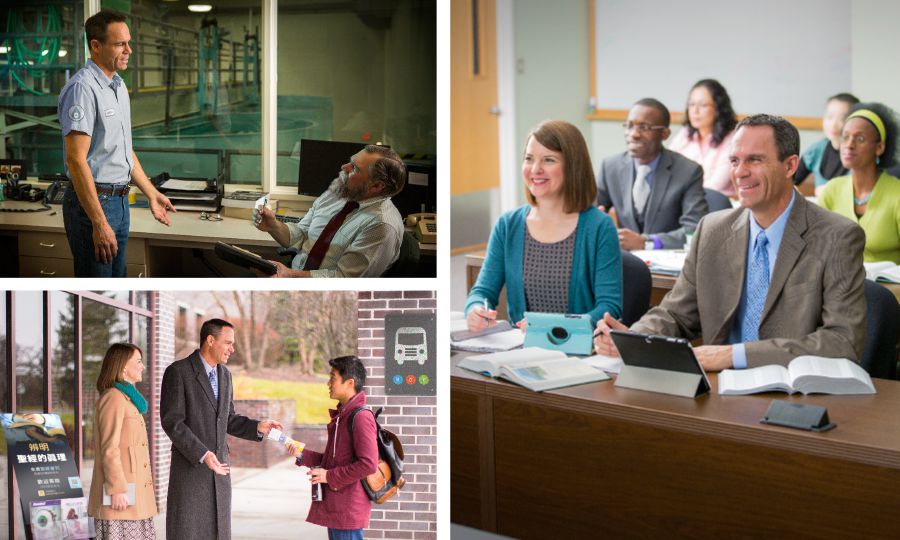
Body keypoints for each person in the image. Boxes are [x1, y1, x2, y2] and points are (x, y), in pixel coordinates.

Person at [594, 114, 866, 371]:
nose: (740, 172)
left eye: (755, 160)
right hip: (719, 387)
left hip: (792, 391)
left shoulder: (838, 236)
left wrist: (735, 355)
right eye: (734, 161)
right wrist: (633, 338)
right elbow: (677, 313)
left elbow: (842, 341)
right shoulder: (713, 229)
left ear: (790, 165)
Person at [465, 120, 622, 331]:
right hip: (520, 350)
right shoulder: (508, 225)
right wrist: (475, 309)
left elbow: (609, 308)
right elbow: (482, 292)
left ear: (573, 166)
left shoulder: (599, 227)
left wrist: (549, 327)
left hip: (578, 354)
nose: (535, 169)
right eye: (529, 159)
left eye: (549, 160)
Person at [57, 10, 174, 277]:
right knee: (97, 285)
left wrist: (150, 192)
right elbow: (76, 160)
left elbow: (121, 149)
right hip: (94, 204)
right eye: (120, 44)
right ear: (96, 46)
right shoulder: (82, 89)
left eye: (128, 42)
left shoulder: (118, 86)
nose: (128, 50)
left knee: (118, 281)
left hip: (120, 202)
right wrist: (99, 222)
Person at [160, 318, 283, 540]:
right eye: (228, 343)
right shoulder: (178, 372)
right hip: (191, 472)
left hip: (220, 473)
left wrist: (258, 426)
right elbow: (172, 422)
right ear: (210, 340)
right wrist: (202, 454)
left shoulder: (225, 375)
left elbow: (228, 419)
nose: (232, 349)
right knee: (189, 533)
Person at [255, 145, 406, 277]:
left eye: (354, 168)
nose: (344, 167)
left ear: (376, 186)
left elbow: (343, 280)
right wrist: (273, 226)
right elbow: (301, 235)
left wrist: (289, 276)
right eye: (350, 161)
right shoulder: (335, 196)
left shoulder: (382, 225)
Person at [596, 98, 708, 250]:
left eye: (644, 127)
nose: (634, 134)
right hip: (623, 262)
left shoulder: (688, 172)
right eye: (629, 126)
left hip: (667, 265)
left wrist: (647, 242)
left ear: (664, 134)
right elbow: (593, 213)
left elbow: (695, 229)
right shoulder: (610, 167)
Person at [285, 356, 378, 540]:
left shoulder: (360, 418)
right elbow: (331, 461)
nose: (328, 383)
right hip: (338, 508)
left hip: (348, 510)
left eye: (333, 378)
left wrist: (328, 476)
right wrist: (302, 454)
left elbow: (368, 464)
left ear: (350, 382)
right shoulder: (342, 416)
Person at [87, 343, 158, 539]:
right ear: (123, 366)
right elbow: (109, 449)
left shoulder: (127, 399)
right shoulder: (114, 398)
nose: (142, 366)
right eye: (138, 361)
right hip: (122, 495)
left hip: (134, 493)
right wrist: (117, 490)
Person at [820, 103, 900, 264]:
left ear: (879, 147)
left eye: (860, 139)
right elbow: (816, 248)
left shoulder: (896, 194)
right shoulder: (831, 190)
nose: (849, 145)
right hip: (837, 283)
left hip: (888, 286)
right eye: (845, 137)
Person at [669, 79, 738, 197]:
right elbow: (667, 171)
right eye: (691, 104)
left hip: (718, 208)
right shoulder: (684, 135)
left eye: (703, 105)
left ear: (718, 108)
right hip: (683, 202)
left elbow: (715, 186)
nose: (695, 111)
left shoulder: (733, 140)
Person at [794, 93, 859, 195]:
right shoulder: (816, 150)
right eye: (829, 117)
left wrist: (830, 191)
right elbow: (790, 180)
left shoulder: (864, 154)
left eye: (842, 119)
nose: (834, 124)